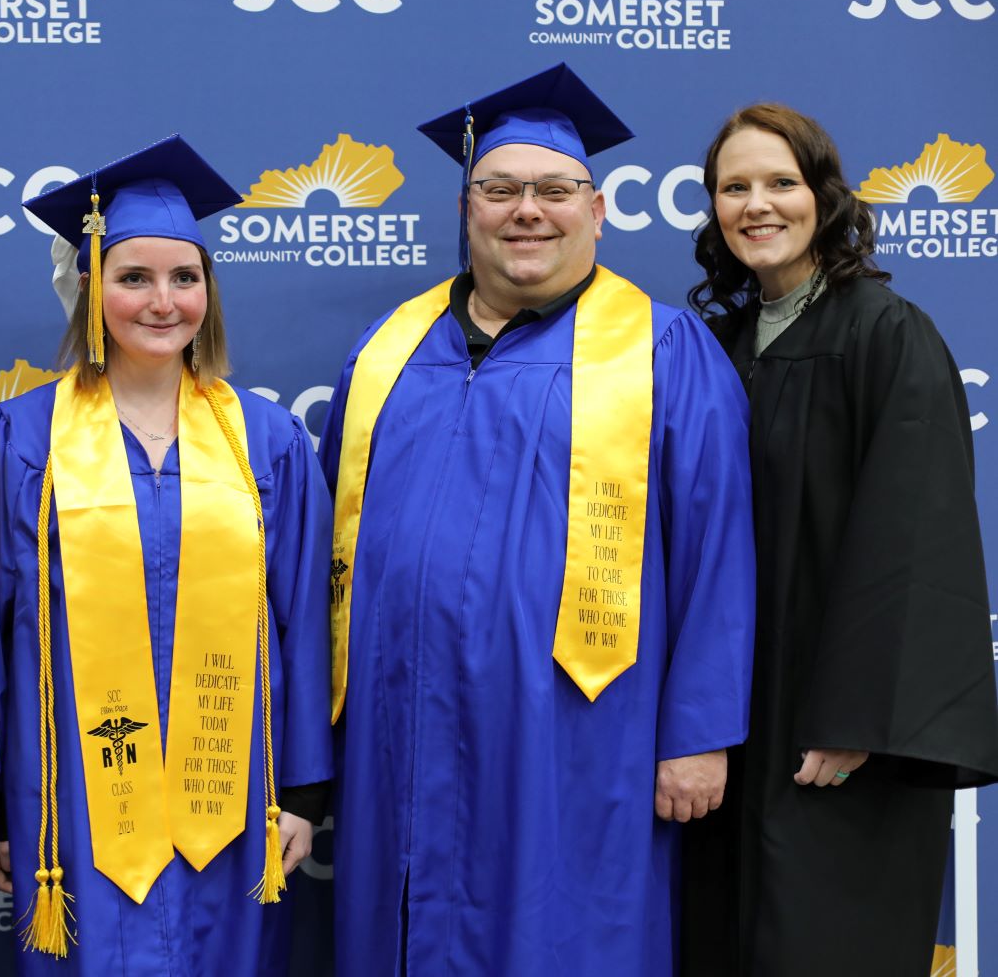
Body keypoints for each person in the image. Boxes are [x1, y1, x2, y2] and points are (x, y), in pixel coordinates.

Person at [320, 63, 756, 976]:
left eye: (555, 190)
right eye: (501, 190)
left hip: (582, 732)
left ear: (596, 211)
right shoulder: (389, 351)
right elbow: (336, 555)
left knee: (564, 936)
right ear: (465, 207)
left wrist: (699, 734)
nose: (528, 211)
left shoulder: (662, 351)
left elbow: (719, 555)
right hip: (401, 728)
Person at [0, 135, 333, 975]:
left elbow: (304, 624)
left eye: (185, 278)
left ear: (210, 293)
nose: (162, 300)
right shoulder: (22, 436)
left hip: (236, 786)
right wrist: (1, 801)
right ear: (89, 288)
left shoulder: (268, 439)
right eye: (132, 277)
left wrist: (302, 794)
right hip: (72, 777)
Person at [680, 102, 998, 977]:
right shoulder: (721, 347)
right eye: (733, 187)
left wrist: (858, 717)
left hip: (833, 735)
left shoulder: (884, 333)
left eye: (780, 183)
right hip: (734, 724)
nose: (757, 205)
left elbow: (915, 534)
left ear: (823, 195)